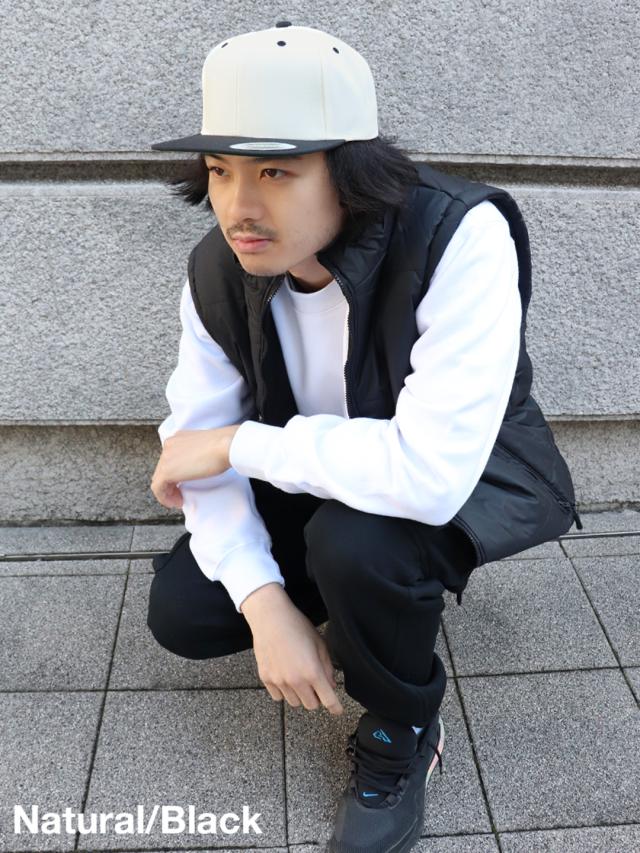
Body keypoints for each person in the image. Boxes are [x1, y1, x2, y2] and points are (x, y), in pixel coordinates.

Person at [146, 22, 581, 853]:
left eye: (276, 171)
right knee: (189, 610)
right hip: (314, 476)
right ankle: (351, 606)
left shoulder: (458, 236)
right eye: (222, 170)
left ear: (348, 168)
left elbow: (428, 473)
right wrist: (267, 604)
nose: (239, 206)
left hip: (459, 476)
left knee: (358, 547)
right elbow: (190, 442)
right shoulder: (218, 268)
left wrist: (238, 443)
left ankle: (402, 726)